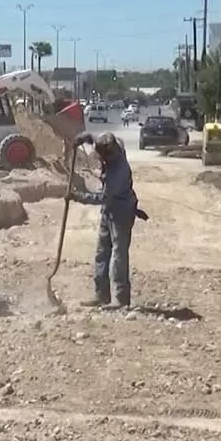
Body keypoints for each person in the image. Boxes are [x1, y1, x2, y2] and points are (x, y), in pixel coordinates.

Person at [69, 132, 148, 310]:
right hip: (109, 212)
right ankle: (101, 295)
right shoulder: (115, 144)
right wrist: (83, 138)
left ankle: (121, 299)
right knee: (101, 252)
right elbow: (95, 138)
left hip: (121, 213)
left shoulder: (118, 173)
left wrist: (78, 196)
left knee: (118, 256)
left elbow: (102, 198)